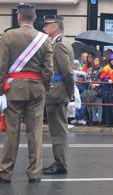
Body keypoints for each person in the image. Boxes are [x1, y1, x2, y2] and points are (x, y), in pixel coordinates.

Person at [0, 3, 53, 184]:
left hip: (13, 90)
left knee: (12, 133)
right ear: (34, 18)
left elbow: (1, 67)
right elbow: (48, 69)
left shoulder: (8, 36)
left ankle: (5, 172)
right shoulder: (44, 38)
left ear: (19, 17)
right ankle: (34, 173)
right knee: (35, 134)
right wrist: (45, 87)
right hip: (36, 90)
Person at [42, 15, 75, 175]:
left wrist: (70, 91)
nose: (44, 28)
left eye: (47, 25)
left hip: (57, 92)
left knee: (58, 130)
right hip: (58, 91)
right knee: (56, 129)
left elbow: (67, 72)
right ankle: (58, 161)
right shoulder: (61, 43)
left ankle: (60, 163)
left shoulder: (59, 45)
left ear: (55, 26)